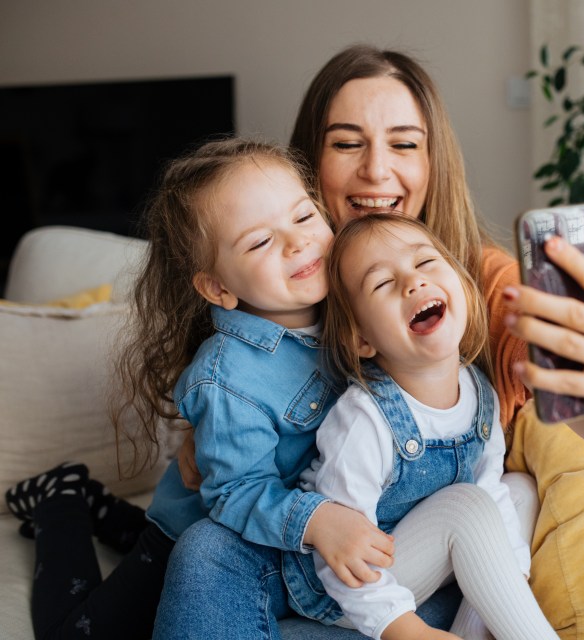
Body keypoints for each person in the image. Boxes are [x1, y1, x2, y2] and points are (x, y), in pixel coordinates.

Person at [157, 44, 584, 639]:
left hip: (416, 565)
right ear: (309, 166)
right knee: (202, 548)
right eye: (347, 143)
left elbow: (578, 418)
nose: (377, 171)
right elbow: (225, 469)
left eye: (404, 143)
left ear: (434, 163)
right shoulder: (274, 289)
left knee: (512, 494)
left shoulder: (471, 286)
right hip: (310, 571)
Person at [2, 137, 390, 639]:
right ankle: (63, 500)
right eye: (259, 242)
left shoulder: (356, 305)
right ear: (218, 288)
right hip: (189, 534)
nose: (297, 243)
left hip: (249, 537)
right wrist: (318, 523)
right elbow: (233, 493)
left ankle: (102, 508)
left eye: (302, 217)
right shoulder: (227, 379)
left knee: (143, 528)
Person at [289, 212, 557, 639]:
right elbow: (341, 552)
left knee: (518, 491)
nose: (412, 283)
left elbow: (490, 490)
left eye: (426, 263)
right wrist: (403, 629)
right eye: (382, 284)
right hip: (343, 587)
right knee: (467, 506)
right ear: (362, 339)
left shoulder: (480, 393)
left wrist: (508, 581)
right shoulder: (364, 418)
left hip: (418, 553)